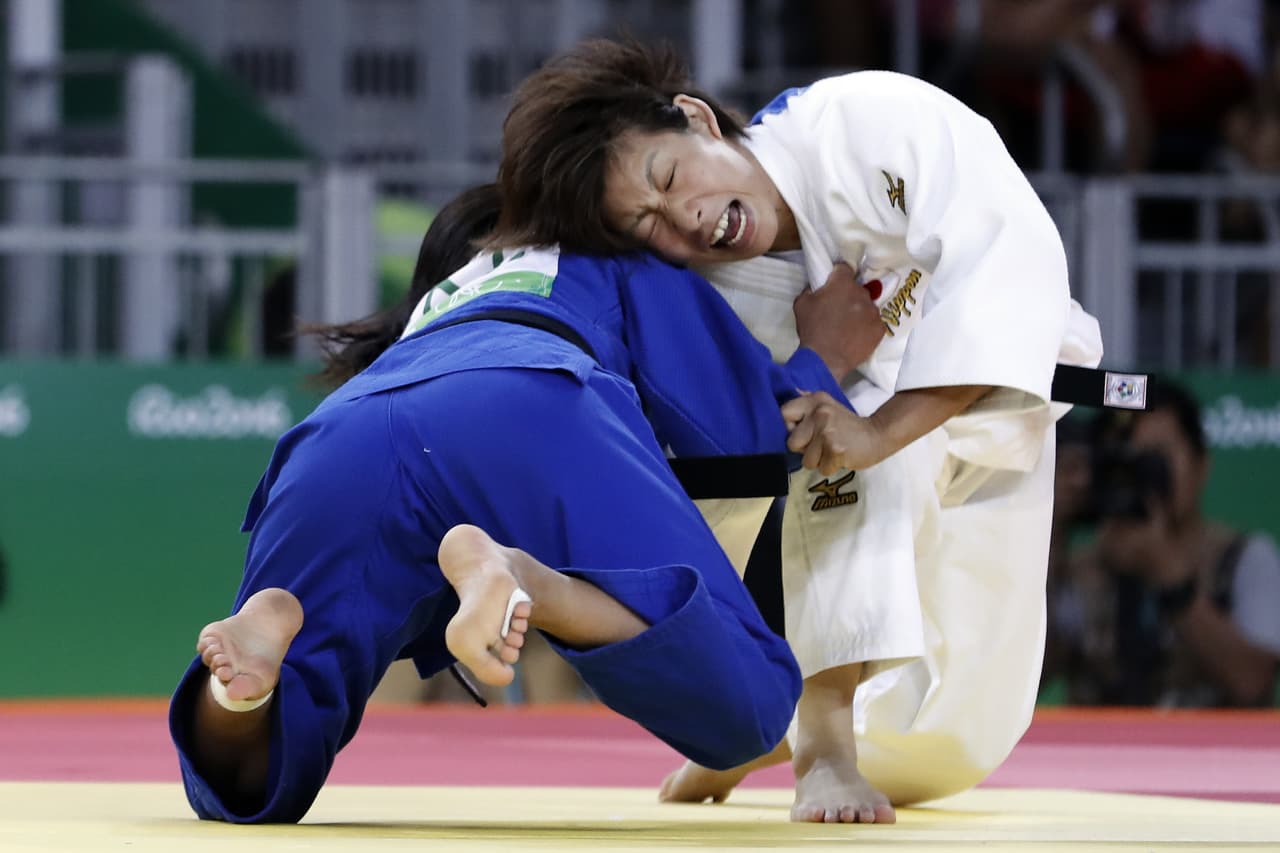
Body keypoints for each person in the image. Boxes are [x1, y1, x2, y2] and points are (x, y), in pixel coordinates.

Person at [492, 38, 1104, 822]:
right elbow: (741, 442)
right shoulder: (700, 286)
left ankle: (775, 725)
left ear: (697, 119)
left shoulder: (869, 122)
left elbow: (1005, 254)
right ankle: (820, 741)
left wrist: (881, 427)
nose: (685, 220)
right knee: (830, 453)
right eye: (648, 226)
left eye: (669, 178)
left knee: (957, 737)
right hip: (849, 463)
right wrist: (837, 391)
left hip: (988, 407)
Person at [168, 183, 886, 823]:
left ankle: (240, 689)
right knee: (754, 706)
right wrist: (821, 357)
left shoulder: (434, 307)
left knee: (257, 783)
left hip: (338, 435)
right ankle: (528, 579)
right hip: (529, 393)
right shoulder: (609, 256)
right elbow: (745, 434)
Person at [1057, 381, 1280, 707]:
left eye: (1154, 459)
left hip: (1215, 755)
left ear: (1200, 466)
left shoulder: (1244, 558)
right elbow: (1018, 681)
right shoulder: (1084, 566)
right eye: (1123, 460)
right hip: (1102, 754)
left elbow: (1254, 682)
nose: (1137, 476)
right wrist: (1050, 535)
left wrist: (1168, 575)